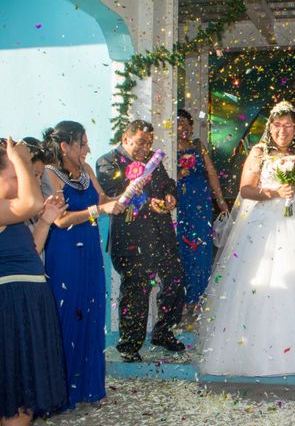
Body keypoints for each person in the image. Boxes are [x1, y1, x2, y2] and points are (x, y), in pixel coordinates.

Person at [197, 101, 295, 376]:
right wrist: (273, 193)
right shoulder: (259, 152)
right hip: (264, 226)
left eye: (287, 125)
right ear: (269, 127)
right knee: (264, 281)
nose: (282, 131)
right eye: (277, 125)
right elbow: (246, 190)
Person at [41, 121, 126, 409]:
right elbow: (61, 220)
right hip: (64, 253)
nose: (89, 149)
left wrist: (128, 196)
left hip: (90, 250)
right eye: (83, 143)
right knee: (68, 314)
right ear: (65, 146)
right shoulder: (51, 175)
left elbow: (104, 199)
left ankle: (90, 387)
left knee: (91, 313)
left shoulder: (88, 171)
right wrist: (99, 209)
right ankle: (61, 392)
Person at [96, 120, 185, 363]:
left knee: (175, 281)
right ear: (126, 139)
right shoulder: (107, 161)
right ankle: (129, 344)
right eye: (141, 142)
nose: (146, 147)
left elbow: (168, 184)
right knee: (137, 288)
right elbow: (115, 192)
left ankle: (163, 331)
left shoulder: (153, 162)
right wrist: (148, 203)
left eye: (149, 142)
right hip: (132, 238)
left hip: (162, 234)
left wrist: (169, 196)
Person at [0, 138, 67, 426]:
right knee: (17, 401)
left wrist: (45, 221)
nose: (25, 181)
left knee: (21, 398)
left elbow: (30, 253)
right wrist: (21, 159)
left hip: (26, 305)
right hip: (12, 307)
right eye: (15, 176)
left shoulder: (11, 215)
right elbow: (32, 201)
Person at [176, 109, 228, 313]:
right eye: (179, 124)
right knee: (183, 250)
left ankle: (199, 301)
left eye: (188, 125)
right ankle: (183, 303)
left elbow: (212, 173)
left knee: (202, 251)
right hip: (180, 205)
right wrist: (178, 173)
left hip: (201, 204)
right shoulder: (167, 148)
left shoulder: (198, 146)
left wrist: (220, 200)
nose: (184, 128)